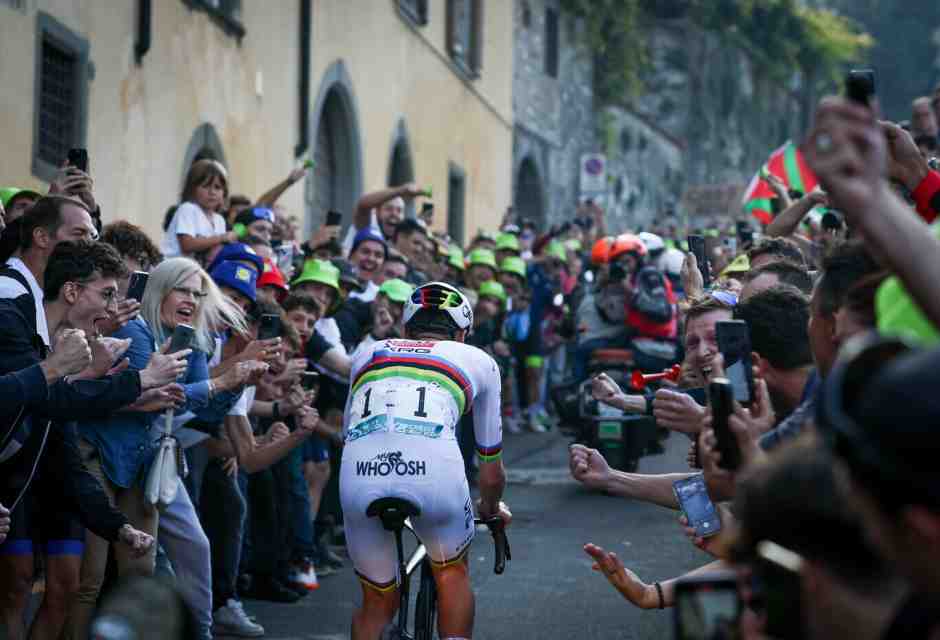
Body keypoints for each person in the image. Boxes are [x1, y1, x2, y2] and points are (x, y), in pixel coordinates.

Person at [0, 241, 182, 640]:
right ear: (71, 292)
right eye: (106, 294)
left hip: (23, 492)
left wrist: (119, 529)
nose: (113, 308)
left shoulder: (63, 350)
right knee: (15, 587)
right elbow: (17, 396)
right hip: (13, 493)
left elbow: (66, 455)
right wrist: (138, 380)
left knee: (65, 589)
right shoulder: (10, 322)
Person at [340, 282, 511, 640]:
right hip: (434, 476)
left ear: (406, 328)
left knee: (375, 599)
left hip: (360, 473)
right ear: (462, 334)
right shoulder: (480, 361)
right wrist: (490, 507)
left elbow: (348, 432)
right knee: (451, 572)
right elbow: (490, 469)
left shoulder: (367, 353)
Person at [161, 159, 237, 263]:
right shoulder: (188, 209)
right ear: (192, 189)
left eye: (217, 187)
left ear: (224, 193)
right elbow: (187, 245)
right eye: (205, 186)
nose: (212, 192)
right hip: (173, 269)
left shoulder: (219, 220)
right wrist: (221, 238)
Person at [345, 182, 426, 254]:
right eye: (389, 209)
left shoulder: (400, 235)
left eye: (399, 210)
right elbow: (363, 205)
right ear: (377, 212)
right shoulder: (368, 225)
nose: (394, 214)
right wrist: (401, 190)